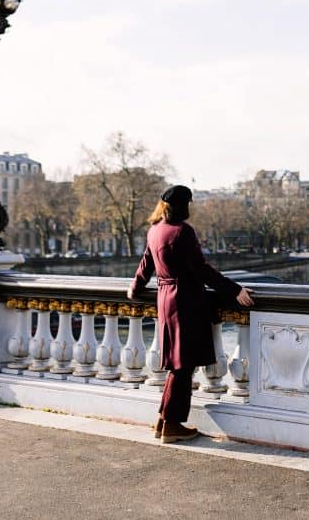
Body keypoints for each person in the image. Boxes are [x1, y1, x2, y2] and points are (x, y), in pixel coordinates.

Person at [127, 185, 255, 443]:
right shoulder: (183, 232)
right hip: (186, 301)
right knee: (183, 365)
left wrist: (134, 288)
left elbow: (145, 265)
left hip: (166, 300)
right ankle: (172, 426)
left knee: (177, 363)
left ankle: (163, 421)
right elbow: (202, 270)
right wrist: (234, 290)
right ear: (185, 206)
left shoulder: (154, 231)